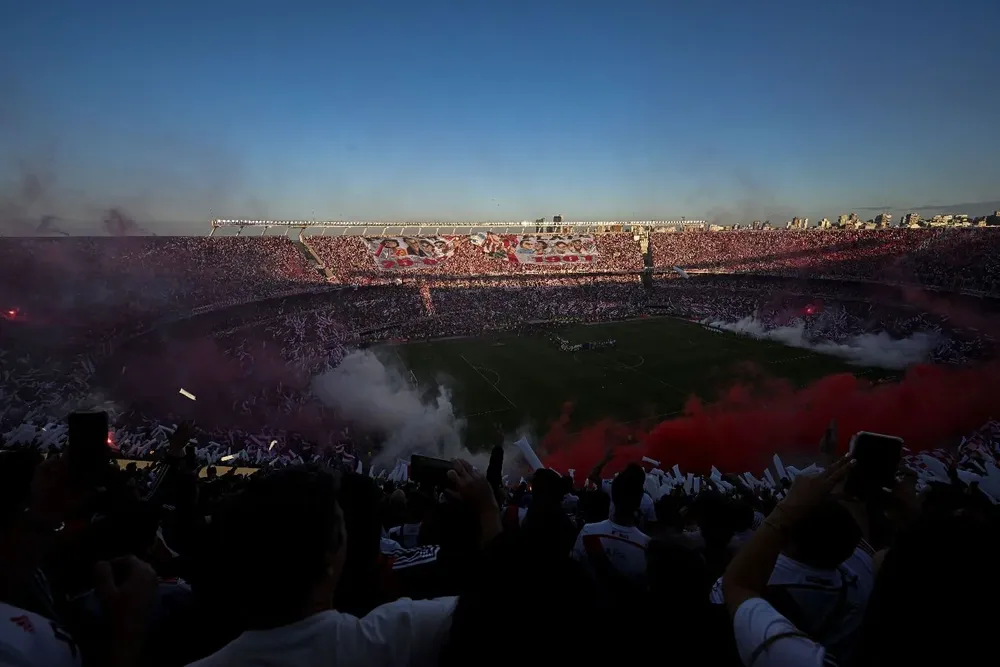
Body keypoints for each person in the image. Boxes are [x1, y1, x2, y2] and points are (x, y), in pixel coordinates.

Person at [187, 467, 457, 667]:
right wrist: (486, 509)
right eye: (340, 528)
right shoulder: (394, 638)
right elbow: (489, 603)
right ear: (331, 555)